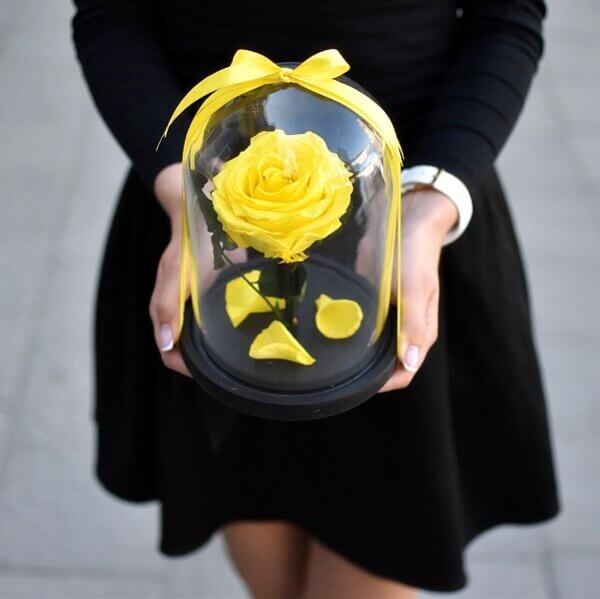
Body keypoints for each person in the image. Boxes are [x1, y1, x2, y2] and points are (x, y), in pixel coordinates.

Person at [71, 1, 559, 597]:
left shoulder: (415, 217)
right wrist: (189, 199)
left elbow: (505, 20)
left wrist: (430, 207)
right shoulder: (197, 204)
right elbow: (112, 16)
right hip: (208, 210)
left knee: (380, 536)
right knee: (256, 516)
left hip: (407, 210)